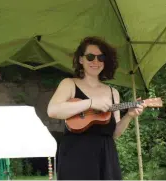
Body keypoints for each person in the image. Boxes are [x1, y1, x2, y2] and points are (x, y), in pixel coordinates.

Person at [47, 36, 146, 180]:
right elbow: (53, 110)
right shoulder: (69, 84)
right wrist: (90, 102)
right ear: (81, 59)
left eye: (101, 58)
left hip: (106, 157)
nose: (96, 61)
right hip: (76, 156)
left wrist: (129, 116)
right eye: (90, 57)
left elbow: (114, 133)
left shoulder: (113, 93)